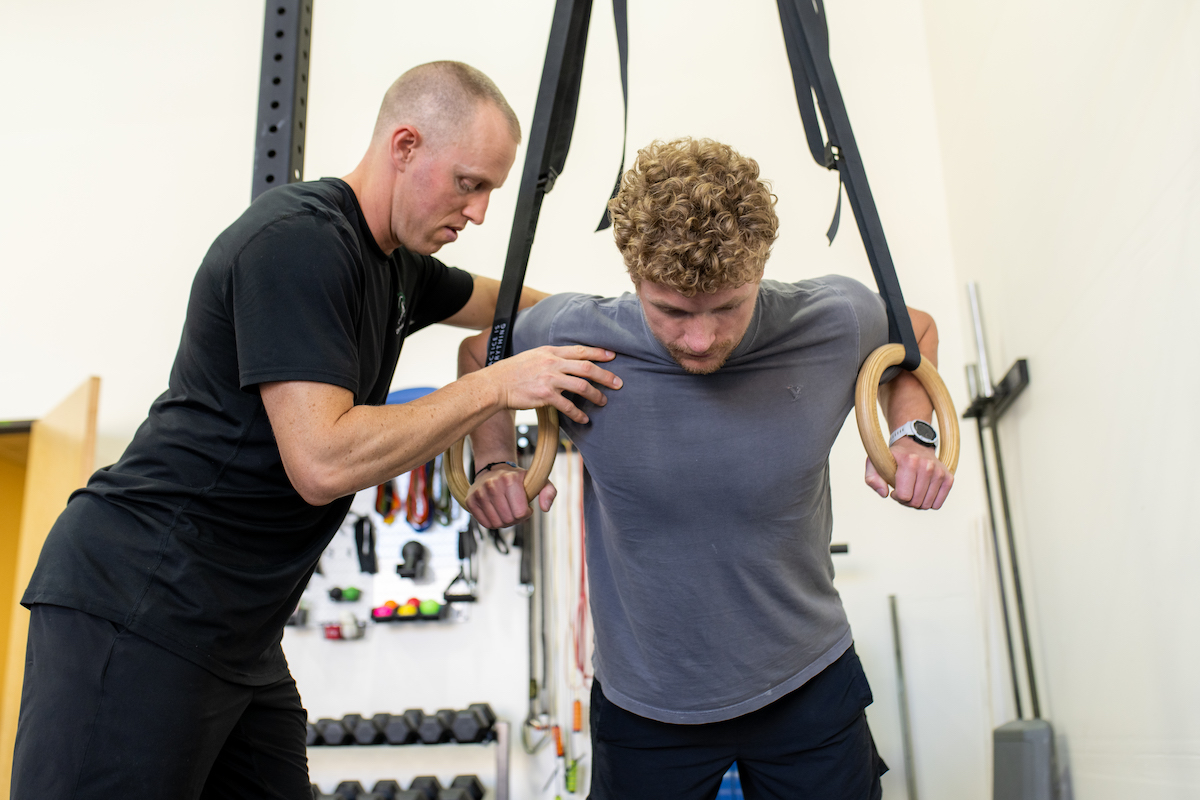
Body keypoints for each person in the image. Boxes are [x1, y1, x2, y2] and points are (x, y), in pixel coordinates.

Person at [13, 61, 620, 798]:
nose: (482, 211)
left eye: (491, 188)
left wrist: (633, 340)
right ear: (404, 146)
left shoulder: (401, 266)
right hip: (143, 601)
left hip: (239, 629)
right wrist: (493, 384)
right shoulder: (299, 243)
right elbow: (323, 460)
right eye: (469, 183)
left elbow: (515, 310)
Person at [462, 137, 954, 799]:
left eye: (727, 307)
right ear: (634, 280)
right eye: (671, 312)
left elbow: (913, 335)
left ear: (760, 270)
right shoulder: (576, 338)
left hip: (806, 680)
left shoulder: (830, 319)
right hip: (646, 705)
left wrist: (913, 434)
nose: (700, 338)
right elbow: (477, 358)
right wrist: (494, 460)